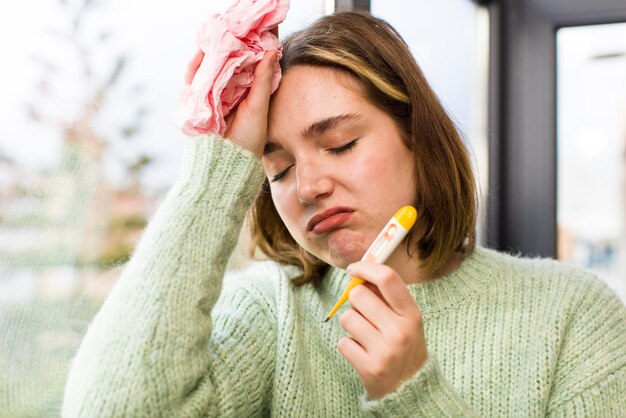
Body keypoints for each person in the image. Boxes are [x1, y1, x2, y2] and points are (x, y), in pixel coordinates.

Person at [62, 11, 626, 417]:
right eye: (277, 171)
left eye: (338, 145)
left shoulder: (572, 315)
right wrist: (213, 172)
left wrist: (412, 395)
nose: (307, 186)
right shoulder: (270, 311)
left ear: (418, 140)